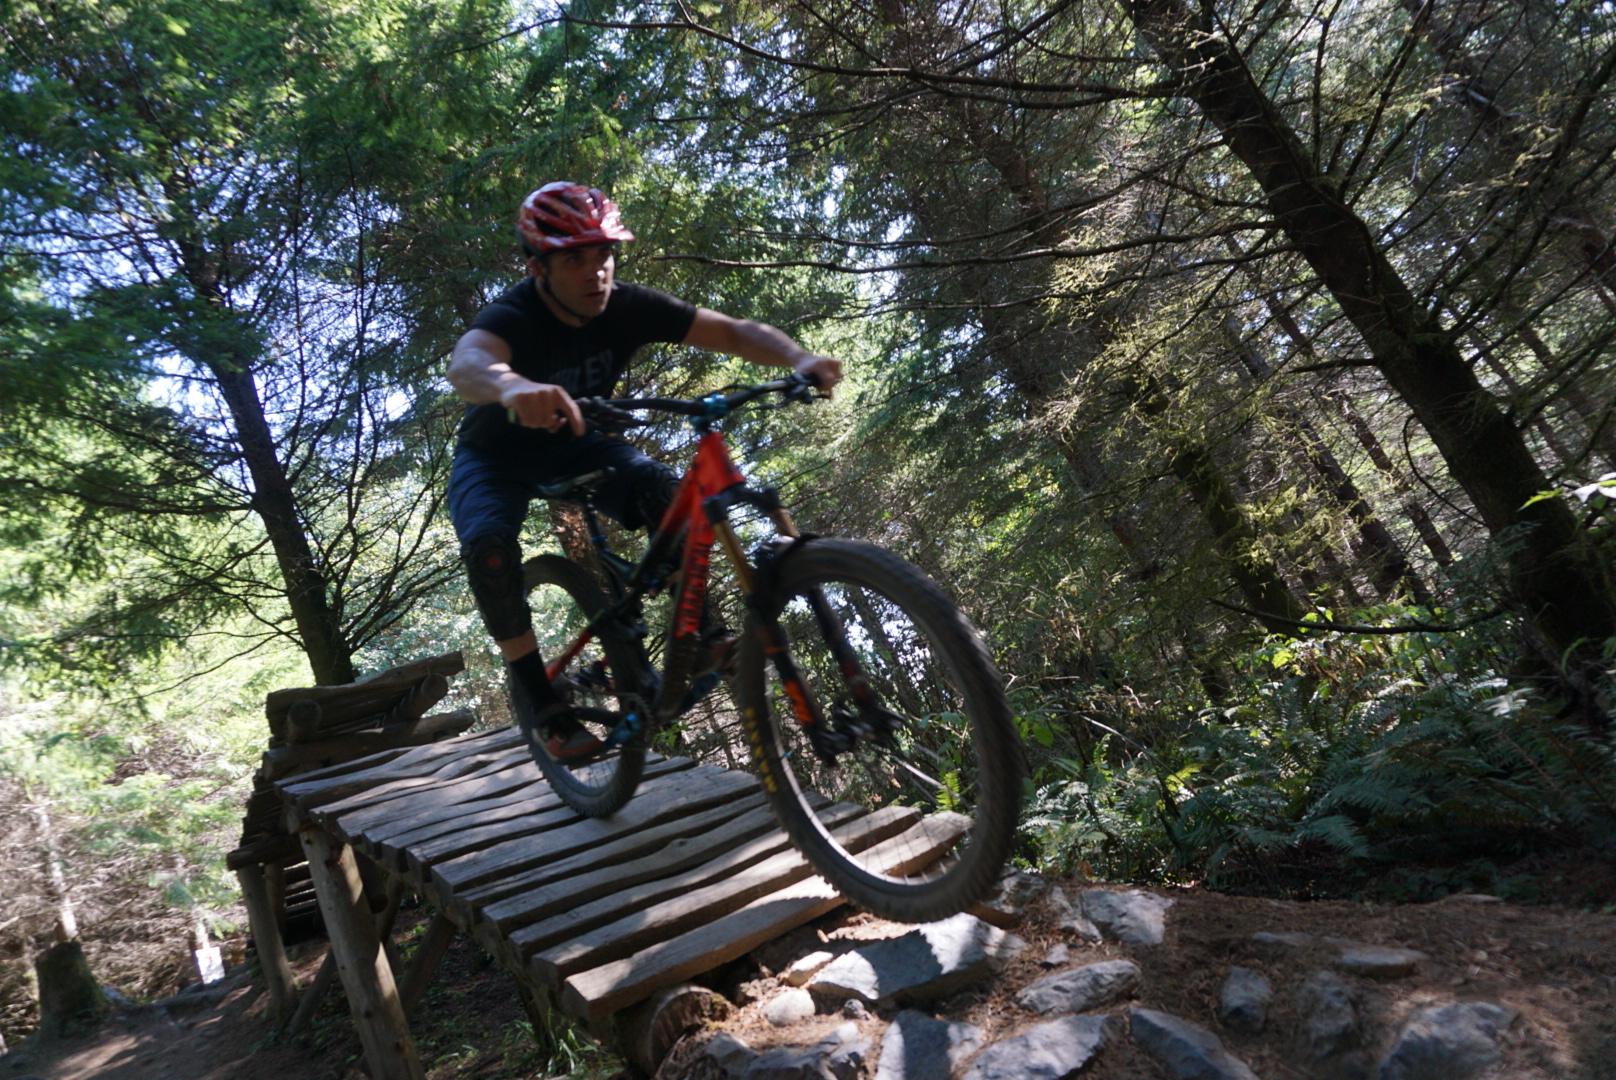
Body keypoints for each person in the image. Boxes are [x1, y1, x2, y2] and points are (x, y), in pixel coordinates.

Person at [447, 182, 843, 760]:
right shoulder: (515, 313)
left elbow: (731, 331)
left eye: (605, 254)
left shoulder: (627, 308)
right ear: (538, 267)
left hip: (579, 447)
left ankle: (706, 637)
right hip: (494, 460)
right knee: (489, 551)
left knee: (669, 492)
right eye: (575, 258)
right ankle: (542, 702)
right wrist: (515, 386)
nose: (596, 272)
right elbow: (469, 363)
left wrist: (798, 357)